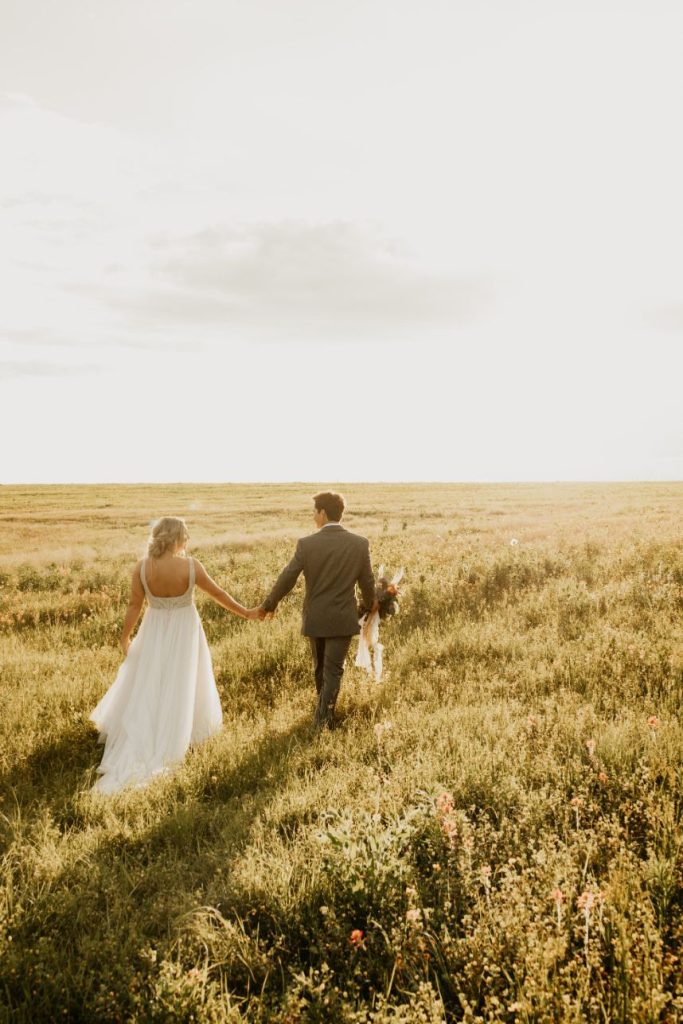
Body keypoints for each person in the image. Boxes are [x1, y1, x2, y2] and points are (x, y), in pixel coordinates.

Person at [91, 516, 261, 793]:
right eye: (186, 535)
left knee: (150, 681)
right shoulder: (191, 566)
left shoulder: (142, 567)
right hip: (184, 633)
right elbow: (219, 594)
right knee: (183, 681)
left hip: (153, 631)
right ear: (178, 538)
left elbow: (134, 605)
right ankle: (182, 732)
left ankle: (147, 733)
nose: (188, 540)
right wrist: (246, 613)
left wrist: (125, 637)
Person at [259, 492, 378, 730]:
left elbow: (288, 577)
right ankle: (324, 717)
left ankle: (322, 720)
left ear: (323, 513)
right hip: (342, 617)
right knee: (331, 670)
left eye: (314, 512)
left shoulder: (307, 544)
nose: (313, 516)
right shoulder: (359, 543)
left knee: (322, 669)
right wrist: (372, 604)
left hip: (316, 617)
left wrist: (269, 604)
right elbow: (367, 581)